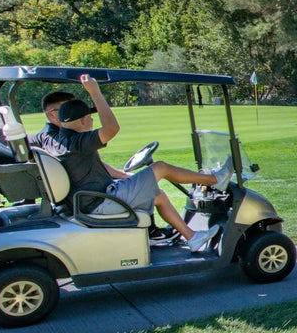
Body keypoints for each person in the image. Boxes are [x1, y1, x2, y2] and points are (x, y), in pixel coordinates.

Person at [40, 75, 231, 251]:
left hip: (90, 198)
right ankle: (215, 180)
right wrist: (95, 92)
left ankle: (191, 237)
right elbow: (112, 128)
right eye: (90, 118)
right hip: (100, 202)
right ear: (82, 121)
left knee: (158, 195)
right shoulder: (79, 142)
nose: (92, 121)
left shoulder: (55, 139)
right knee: (160, 167)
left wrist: (124, 176)